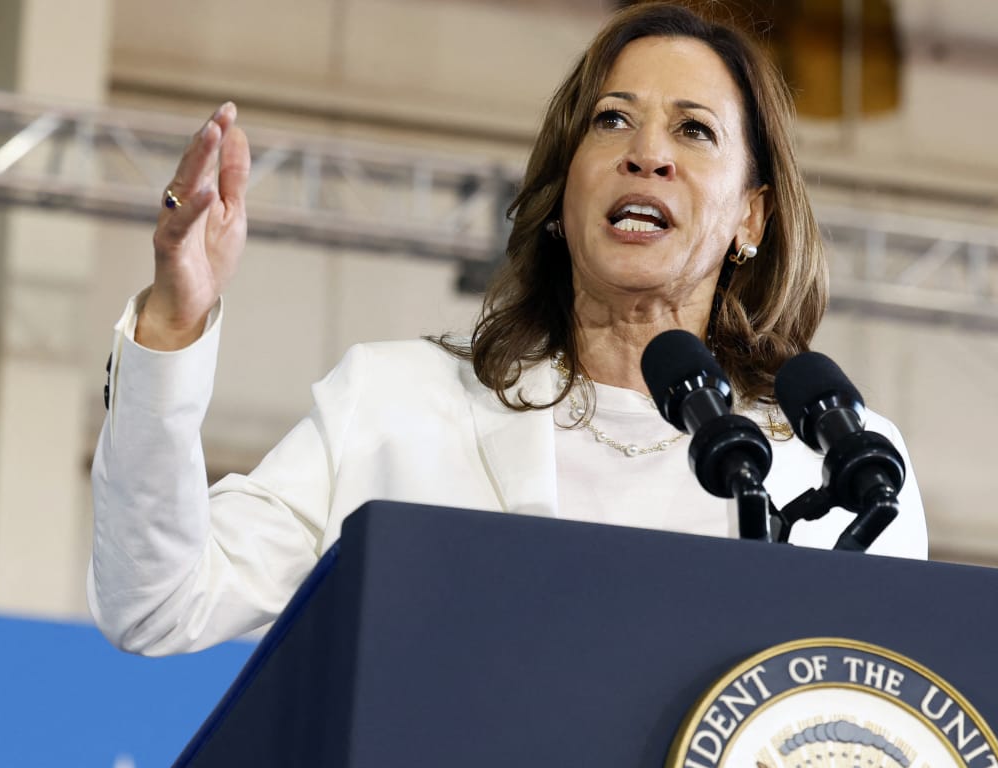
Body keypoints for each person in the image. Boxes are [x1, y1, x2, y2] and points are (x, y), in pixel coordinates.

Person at [89, 2, 928, 656]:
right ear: (563, 195)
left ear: (753, 215)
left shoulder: (843, 466)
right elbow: (158, 601)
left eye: (694, 131)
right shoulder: (396, 405)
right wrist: (173, 322)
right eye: (612, 120)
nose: (647, 154)